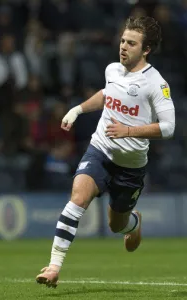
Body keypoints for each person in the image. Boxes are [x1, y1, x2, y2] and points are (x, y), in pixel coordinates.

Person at [36, 16, 176, 288]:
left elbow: (169, 127)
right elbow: (106, 94)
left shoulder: (156, 83)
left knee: (116, 225)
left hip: (130, 166)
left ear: (145, 49)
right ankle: (54, 266)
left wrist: (128, 131)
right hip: (99, 150)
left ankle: (133, 224)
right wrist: (77, 109)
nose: (123, 46)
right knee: (78, 198)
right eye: (123, 40)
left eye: (131, 43)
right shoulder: (112, 69)